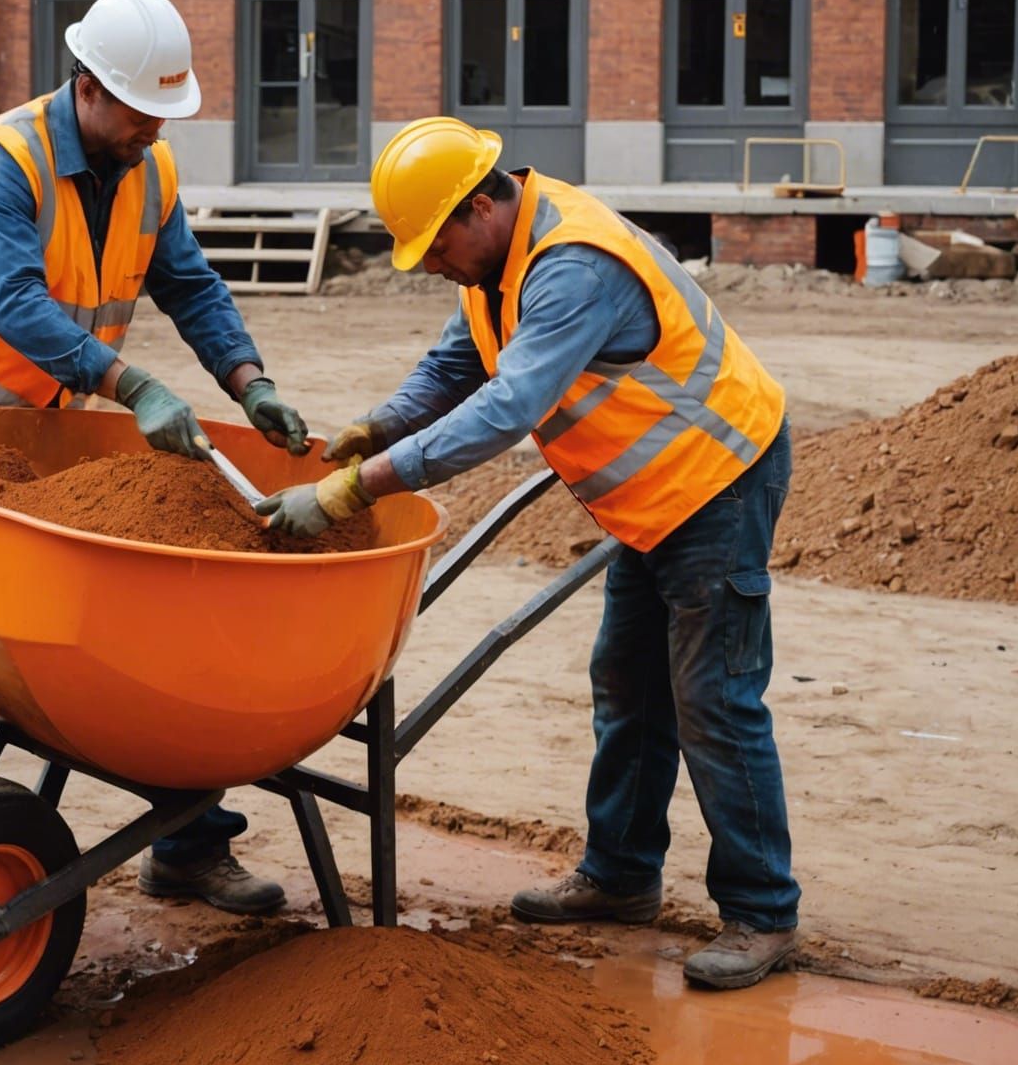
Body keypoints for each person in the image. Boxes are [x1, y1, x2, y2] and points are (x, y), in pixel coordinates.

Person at [256, 116, 800, 989]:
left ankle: (763, 912)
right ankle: (621, 876)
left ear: (481, 204)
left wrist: (355, 489)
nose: (432, 264)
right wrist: (383, 425)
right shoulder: (493, 259)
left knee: (714, 700)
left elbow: (505, 410)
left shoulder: (572, 269)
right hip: (651, 500)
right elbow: (454, 366)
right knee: (627, 681)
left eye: (435, 247)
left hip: (718, 480)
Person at [0, 0, 308, 925]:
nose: (155, 132)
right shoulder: (3, 165)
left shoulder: (146, 171)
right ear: (88, 87)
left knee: (132, 640)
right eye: (143, 112)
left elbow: (191, 286)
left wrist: (248, 380)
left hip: (49, 424)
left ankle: (186, 846)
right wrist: (132, 387)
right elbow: (14, 304)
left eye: (167, 115)